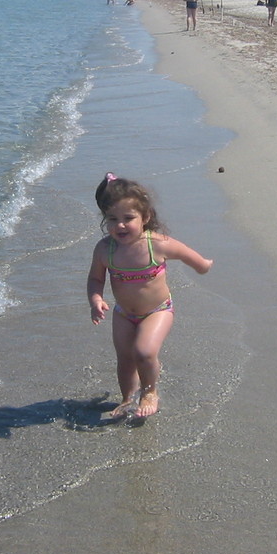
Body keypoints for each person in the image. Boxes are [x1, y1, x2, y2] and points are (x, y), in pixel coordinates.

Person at [87, 172, 213, 418]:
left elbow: (187, 254)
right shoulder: (105, 249)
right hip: (123, 314)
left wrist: (202, 265)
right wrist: (96, 299)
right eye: (112, 219)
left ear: (145, 217)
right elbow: (95, 278)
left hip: (158, 310)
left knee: (143, 352)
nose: (120, 225)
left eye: (128, 218)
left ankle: (150, 392)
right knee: (125, 359)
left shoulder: (157, 244)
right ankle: (126, 399)